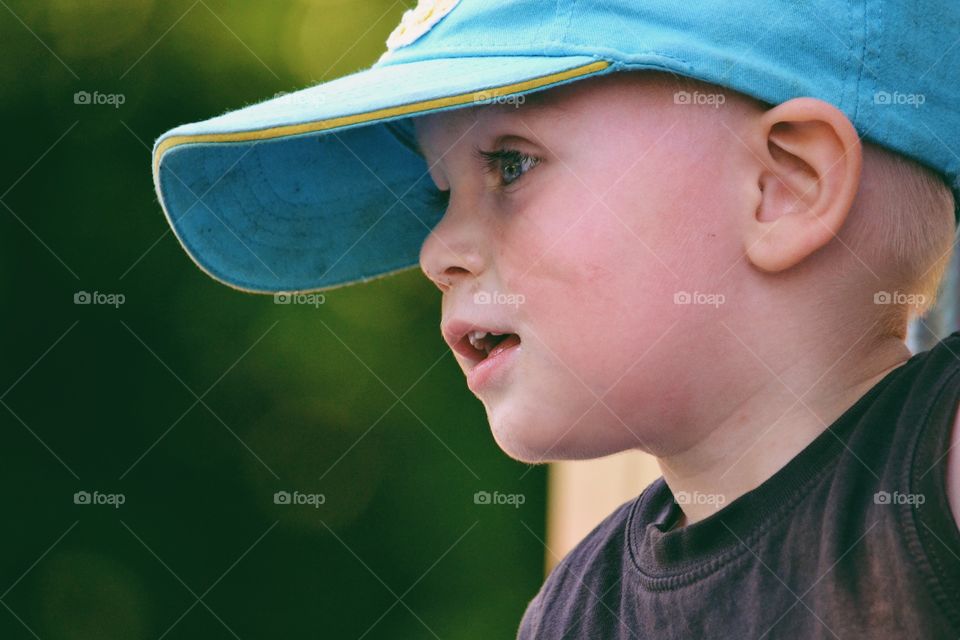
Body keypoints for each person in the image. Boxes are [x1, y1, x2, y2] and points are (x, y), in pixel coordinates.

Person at [151, 1, 960, 636]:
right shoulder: (576, 611)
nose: (438, 251)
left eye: (509, 163)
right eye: (441, 194)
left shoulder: (934, 473)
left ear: (783, 187)